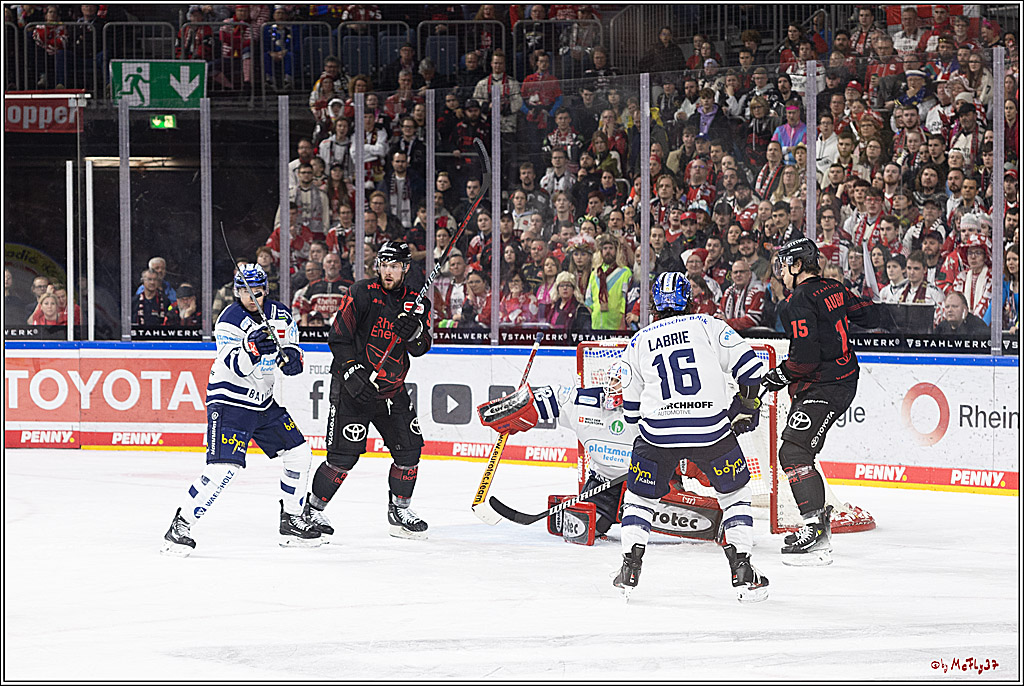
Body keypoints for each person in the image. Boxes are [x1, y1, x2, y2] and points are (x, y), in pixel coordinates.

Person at [614, 272, 769, 602]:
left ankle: (630, 566)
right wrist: (747, 403)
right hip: (711, 430)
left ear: (654, 302)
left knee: (640, 499)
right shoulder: (707, 325)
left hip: (656, 434)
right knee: (735, 494)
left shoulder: (638, 340)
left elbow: (629, 412)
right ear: (690, 299)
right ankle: (742, 567)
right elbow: (753, 370)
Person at [161, 263, 319, 556]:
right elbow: (236, 366)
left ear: (266, 290)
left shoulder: (281, 314)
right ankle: (180, 526)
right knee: (224, 469)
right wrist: (253, 349)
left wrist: (294, 360)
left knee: (299, 453)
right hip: (230, 401)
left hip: (263, 401)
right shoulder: (228, 321)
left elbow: (293, 348)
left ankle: (292, 521)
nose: (250, 297)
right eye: (244, 291)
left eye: (255, 292)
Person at [761, 238, 880, 565]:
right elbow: (867, 315)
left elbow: (805, 360)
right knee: (797, 450)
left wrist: (777, 376)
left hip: (824, 385)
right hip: (843, 378)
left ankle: (815, 529)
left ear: (797, 265)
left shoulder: (796, 301)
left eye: (785, 266)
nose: (782, 274)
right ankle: (815, 522)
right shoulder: (834, 287)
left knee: (794, 451)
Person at [308, 242, 432, 539]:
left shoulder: (417, 302)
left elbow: (420, 348)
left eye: (394, 266)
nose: (388, 271)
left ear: (405, 268)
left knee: (409, 451)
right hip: (355, 389)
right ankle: (312, 511)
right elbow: (338, 337)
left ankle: (399, 509)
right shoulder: (361, 292)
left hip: (392, 390)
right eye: (384, 265)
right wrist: (353, 373)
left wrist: (413, 332)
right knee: (342, 457)